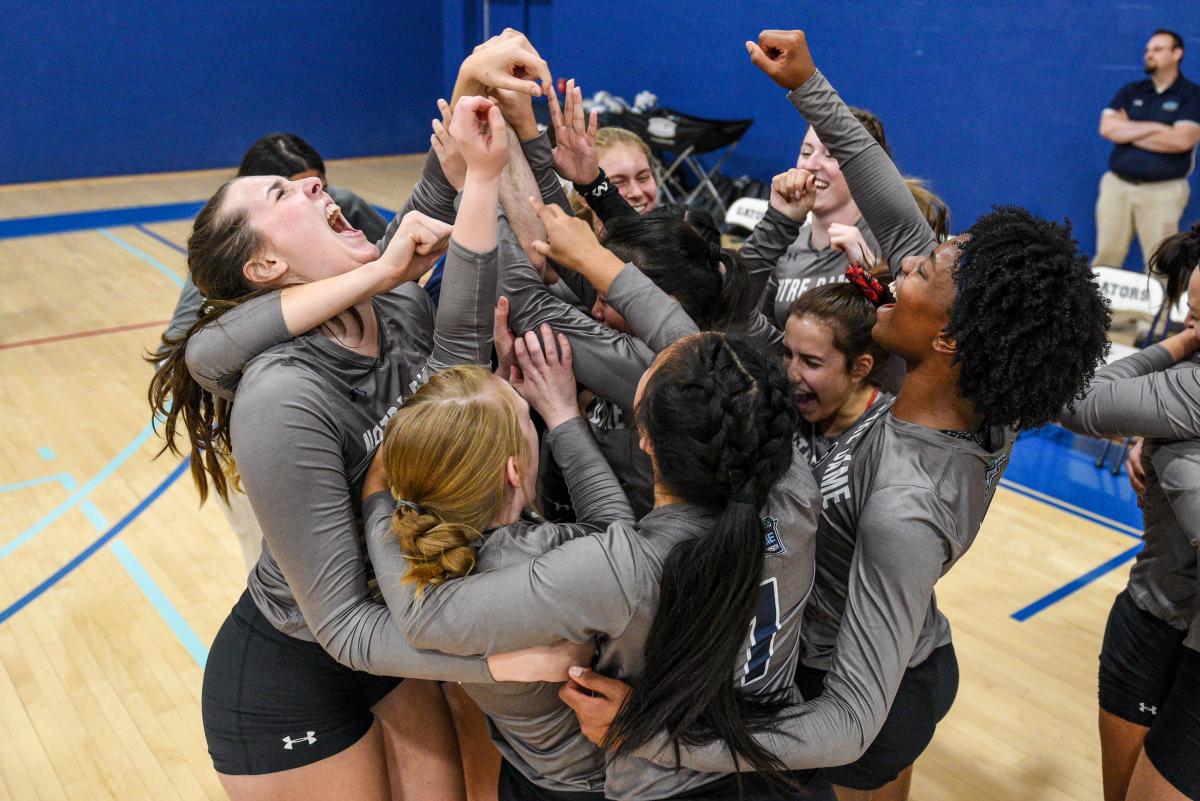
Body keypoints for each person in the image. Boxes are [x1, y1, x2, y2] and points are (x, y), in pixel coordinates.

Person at [558, 28, 1111, 801]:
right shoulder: (964, 382)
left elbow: (850, 717)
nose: (905, 260)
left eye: (924, 267)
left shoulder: (905, 508)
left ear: (951, 334)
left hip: (862, 693)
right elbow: (890, 200)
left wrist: (653, 734)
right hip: (894, 655)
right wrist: (810, 84)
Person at [150, 36, 574, 799]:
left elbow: (453, 289)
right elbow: (341, 626)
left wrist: (474, 110)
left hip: (394, 644)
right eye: (281, 196)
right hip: (299, 669)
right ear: (266, 269)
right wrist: (495, 664)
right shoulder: (282, 392)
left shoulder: (392, 304)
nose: (313, 185)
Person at [368, 330, 830, 800]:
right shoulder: (795, 488)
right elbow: (611, 532)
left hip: (601, 779)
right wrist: (563, 416)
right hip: (768, 769)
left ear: (644, 439)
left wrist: (378, 496)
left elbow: (425, 616)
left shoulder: (589, 564)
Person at [359, 328, 634, 800]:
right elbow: (620, 538)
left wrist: (488, 407)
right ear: (513, 468)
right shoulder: (542, 555)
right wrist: (563, 414)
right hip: (593, 783)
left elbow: (377, 496)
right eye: (528, 421)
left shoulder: (410, 544)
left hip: (528, 770)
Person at [1057, 225, 1200, 801]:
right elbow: (1078, 397)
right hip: (1151, 618)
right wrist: (1182, 347)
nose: (1195, 328)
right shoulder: (1186, 389)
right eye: (1192, 314)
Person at [743, 107, 890, 327]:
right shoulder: (785, 247)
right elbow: (745, 319)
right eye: (805, 152)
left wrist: (868, 272)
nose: (811, 165)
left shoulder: (890, 244)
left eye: (830, 155)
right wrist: (778, 219)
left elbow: (900, 334)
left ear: (864, 168)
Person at [1094, 29, 1200, 271]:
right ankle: (1104, 310)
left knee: (1160, 263)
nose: (1149, 55)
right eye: (1147, 50)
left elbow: (1182, 141)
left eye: (1157, 49)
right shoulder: (1131, 91)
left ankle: (1159, 311)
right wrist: (1159, 129)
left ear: (1177, 54)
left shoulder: (1192, 95)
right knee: (1106, 258)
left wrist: (1129, 129)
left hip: (1163, 191)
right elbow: (1108, 128)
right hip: (1117, 186)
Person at [782, 283, 893, 463]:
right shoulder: (782, 408)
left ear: (860, 368)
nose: (792, 375)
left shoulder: (887, 441)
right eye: (787, 353)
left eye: (811, 362)